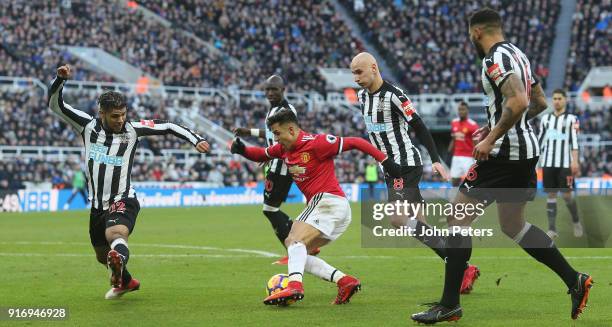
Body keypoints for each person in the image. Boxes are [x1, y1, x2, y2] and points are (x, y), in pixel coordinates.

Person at [411, 9, 593, 323]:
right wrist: (494, 125)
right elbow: (538, 103)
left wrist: (492, 136)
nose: (470, 39)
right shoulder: (518, 54)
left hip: (501, 156)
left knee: (456, 218)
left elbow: (520, 102)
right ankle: (574, 279)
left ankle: (449, 303)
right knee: (513, 225)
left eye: (470, 34)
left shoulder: (494, 59)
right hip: (526, 152)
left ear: (477, 31)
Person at [49, 65, 210, 299]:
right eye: (115, 116)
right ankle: (125, 281)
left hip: (123, 198)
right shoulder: (87, 125)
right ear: (102, 113)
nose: (121, 120)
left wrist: (196, 139)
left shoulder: (132, 130)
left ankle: (119, 260)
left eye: (123, 114)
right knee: (101, 255)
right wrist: (59, 80)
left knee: (116, 234)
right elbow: (56, 105)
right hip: (97, 206)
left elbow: (168, 126)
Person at [230, 108, 402, 305]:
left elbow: (356, 141)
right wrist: (241, 149)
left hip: (328, 201)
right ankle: (345, 281)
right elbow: (261, 154)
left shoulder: (317, 143)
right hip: (334, 211)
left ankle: (294, 286)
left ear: (292, 130)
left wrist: (386, 162)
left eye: (277, 133)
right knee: (297, 251)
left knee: (294, 240)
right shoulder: (284, 149)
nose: (275, 139)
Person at [350, 52, 480, 294]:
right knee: (421, 227)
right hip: (389, 167)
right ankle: (462, 265)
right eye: (353, 73)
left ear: (374, 68)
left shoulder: (394, 95)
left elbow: (418, 125)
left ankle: (461, 265)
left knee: (397, 219)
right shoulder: (361, 96)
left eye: (359, 72)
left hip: (404, 164)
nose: (355, 78)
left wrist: (436, 160)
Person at [233, 75, 317, 264]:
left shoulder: (285, 110)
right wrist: (250, 133)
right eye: (268, 89)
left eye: (274, 89)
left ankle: (297, 248)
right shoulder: (275, 109)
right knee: (271, 209)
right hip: (278, 160)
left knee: (270, 209)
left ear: (283, 90)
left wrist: (270, 154)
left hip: (282, 164)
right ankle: (304, 243)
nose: (270, 93)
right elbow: (273, 133)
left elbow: (290, 136)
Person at [538, 89, 583, 238]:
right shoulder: (545, 119)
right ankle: (552, 229)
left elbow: (575, 141)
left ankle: (576, 221)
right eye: (555, 98)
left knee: (567, 195)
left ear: (565, 100)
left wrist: (575, 161)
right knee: (551, 194)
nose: (557, 101)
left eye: (559, 98)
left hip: (566, 163)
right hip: (549, 162)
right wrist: (537, 161)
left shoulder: (573, 119)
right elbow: (540, 141)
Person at [448, 102, 479, 186]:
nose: (461, 111)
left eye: (463, 109)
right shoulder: (454, 122)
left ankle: (473, 198)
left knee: (471, 181)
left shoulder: (473, 125)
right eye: (459, 109)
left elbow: (476, 143)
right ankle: (454, 198)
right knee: (454, 181)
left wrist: (477, 158)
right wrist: (449, 151)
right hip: (456, 156)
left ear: (467, 111)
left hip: (468, 158)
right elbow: (454, 138)